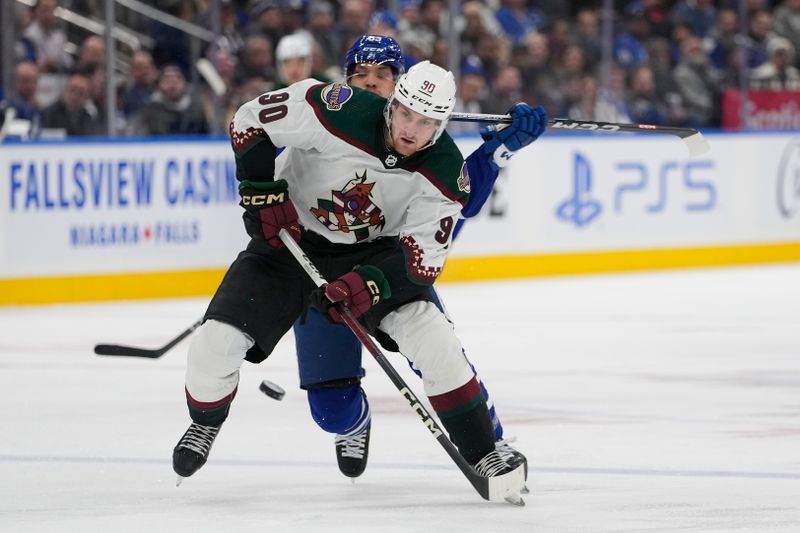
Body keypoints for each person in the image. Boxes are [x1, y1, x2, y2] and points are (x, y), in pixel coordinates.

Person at [172, 59, 533, 501]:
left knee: (435, 339)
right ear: (392, 104)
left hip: (373, 257)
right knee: (214, 345)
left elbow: (421, 262)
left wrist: (368, 285)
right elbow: (249, 122)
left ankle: (484, 452)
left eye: (426, 122)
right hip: (290, 244)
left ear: (441, 124)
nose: (411, 130)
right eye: (405, 114)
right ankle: (205, 423)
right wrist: (262, 192)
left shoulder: (444, 170)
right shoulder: (333, 108)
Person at [289, 35, 547, 480]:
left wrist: (496, 151)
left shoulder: (419, 138)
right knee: (331, 412)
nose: (370, 85)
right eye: (360, 77)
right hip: (319, 267)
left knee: (442, 356)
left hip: (391, 268)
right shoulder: (321, 123)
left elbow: (456, 205)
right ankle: (354, 423)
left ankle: (490, 444)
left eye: (383, 77)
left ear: (401, 87)